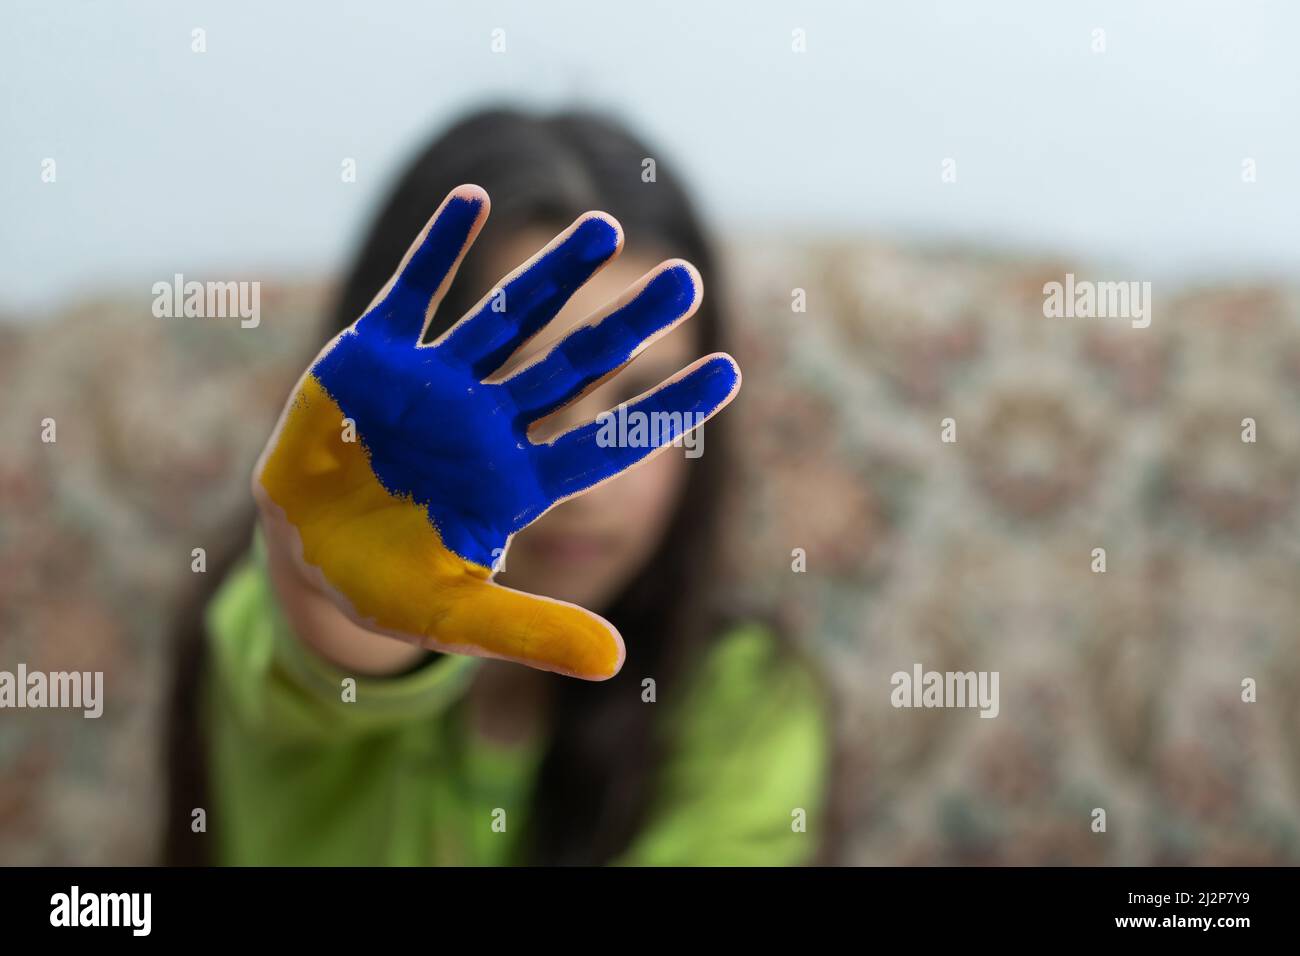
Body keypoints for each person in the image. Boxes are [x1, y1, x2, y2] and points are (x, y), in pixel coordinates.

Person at [165, 107, 832, 866]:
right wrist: (314, 578)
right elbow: (326, 645)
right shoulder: (261, 622)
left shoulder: (744, 702)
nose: (581, 492)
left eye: (638, 404)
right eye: (517, 402)